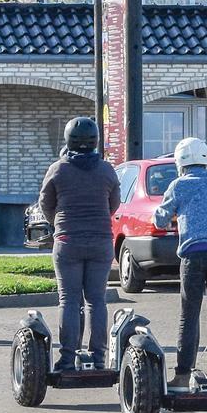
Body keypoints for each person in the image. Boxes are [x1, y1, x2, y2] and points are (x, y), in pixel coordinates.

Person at [37, 117, 122, 372]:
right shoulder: (107, 170)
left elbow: (45, 203)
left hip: (68, 240)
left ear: (68, 140)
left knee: (69, 300)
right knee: (96, 300)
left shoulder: (58, 169)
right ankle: (98, 357)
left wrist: (57, 223)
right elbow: (114, 204)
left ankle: (67, 359)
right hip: (100, 241)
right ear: (95, 141)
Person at [152, 137, 207, 390]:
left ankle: (181, 377)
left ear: (180, 162)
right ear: (206, 160)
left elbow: (160, 220)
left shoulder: (178, 186)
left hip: (192, 254)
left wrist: (169, 217)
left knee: (189, 315)